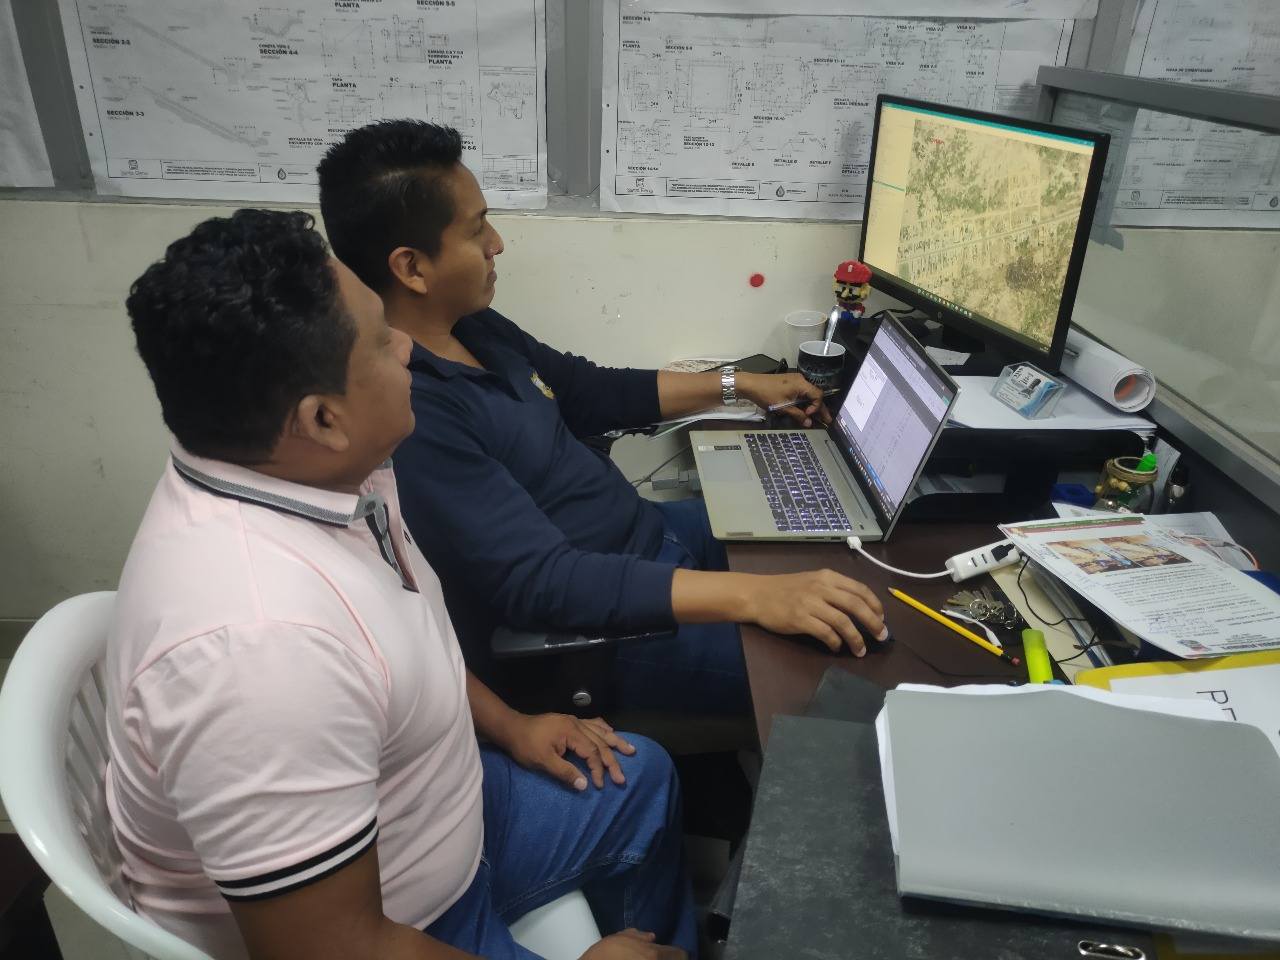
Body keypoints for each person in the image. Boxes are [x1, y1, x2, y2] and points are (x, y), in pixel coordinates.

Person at [108, 208, 694, 960]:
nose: (410, 347)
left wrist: (511, 724)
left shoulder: (322, 471)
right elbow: (336, 949)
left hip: (438, 810)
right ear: (323, 419)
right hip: (402, 922)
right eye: (383, 340)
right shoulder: (259, 651)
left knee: (641, 781)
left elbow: (396, 645)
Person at [317, 120, 886, 715]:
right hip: (607, 630)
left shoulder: (472, 326)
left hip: (651, 535)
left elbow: (588, 390)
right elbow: (543, 581)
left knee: (837, 554)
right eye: (477, 227)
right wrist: (756, 597)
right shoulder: (416, 414)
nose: (497, 243)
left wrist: (738, 384)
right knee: (848, 675)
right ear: (412, 268)